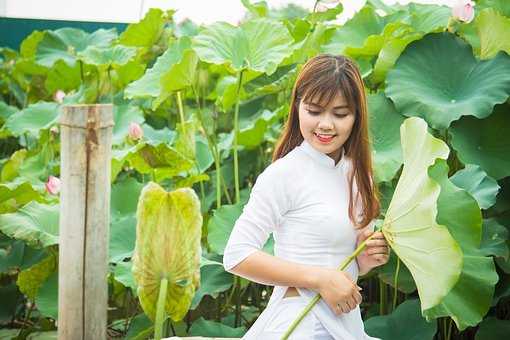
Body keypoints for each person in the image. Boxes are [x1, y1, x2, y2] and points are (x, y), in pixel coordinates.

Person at [222, 54, 390, 340]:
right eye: (314, 111)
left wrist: (367, 258)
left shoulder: (358, 175)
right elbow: (236, 255)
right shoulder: (284, 174)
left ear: (356, 117)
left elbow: (344, 262)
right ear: (297, 106)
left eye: (340, 114)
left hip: (346, 323)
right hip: (300, 322)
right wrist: (319, 278)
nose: (326, 125)